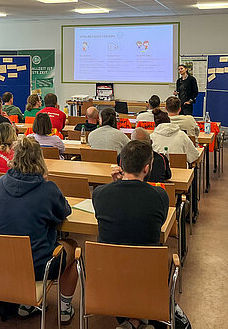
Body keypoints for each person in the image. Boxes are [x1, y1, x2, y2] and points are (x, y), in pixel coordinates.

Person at [0, 136, 78, 324]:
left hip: (3, 261)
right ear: (40, 159)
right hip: (38, 266)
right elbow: (64, 211)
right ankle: (65, 308)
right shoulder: (48, 189)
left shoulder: (1, 183)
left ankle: (27, 303)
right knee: (73, 248)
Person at [92, 140, 170, 329]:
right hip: (146, 275)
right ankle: (139, 319)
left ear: (121, 164)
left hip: (107, 274)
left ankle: (133, 321)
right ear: (147, 168)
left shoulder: (99, 193)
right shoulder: (159, 196)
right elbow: (156, 223)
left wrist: (116, 184)